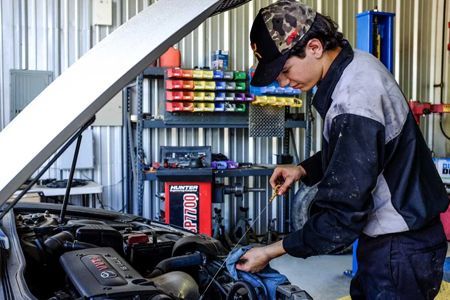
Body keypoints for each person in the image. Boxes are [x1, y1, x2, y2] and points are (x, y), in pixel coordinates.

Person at [236, 1, 450, 299]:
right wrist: (303, 169)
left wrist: (271, 251)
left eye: (284, 70)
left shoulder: (355, 100)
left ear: (313, 47)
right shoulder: (355, 64)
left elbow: (341, 216)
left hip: (400, 249)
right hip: (397, 241)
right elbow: (356, 153)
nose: (283, 82)